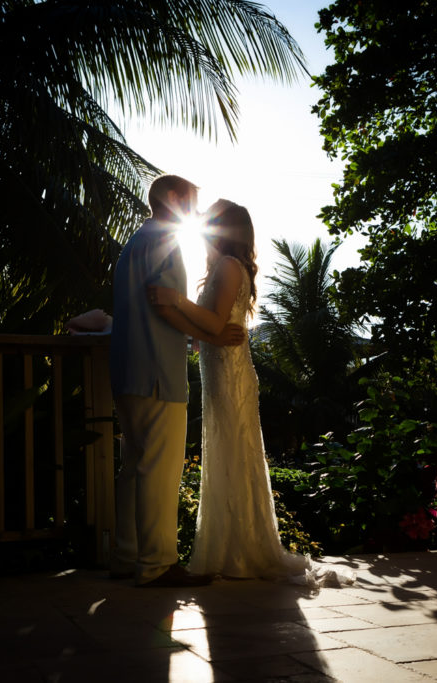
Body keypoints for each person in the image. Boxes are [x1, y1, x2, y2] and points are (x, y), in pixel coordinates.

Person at [149, 199, 351, 586]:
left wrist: (175, 300)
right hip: (224, 370)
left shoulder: (227, 266)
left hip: (229, 374)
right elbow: (211, 328)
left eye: (211, 220)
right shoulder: (225, 267)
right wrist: (196, 331)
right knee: (230, 454)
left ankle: (239, 552)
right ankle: (234, 548)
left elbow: (213, 320)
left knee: (232, 454)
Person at [109, 175, 244, 588]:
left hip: (127, 369)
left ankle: (126, 557)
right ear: (172, 197)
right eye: (192, 198)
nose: (195, 207)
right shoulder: (164, 241)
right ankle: (157, 564)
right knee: (159, 471)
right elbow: (164, 307)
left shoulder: (134, 242)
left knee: (133, 467)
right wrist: (213, 336)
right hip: (157, 372)